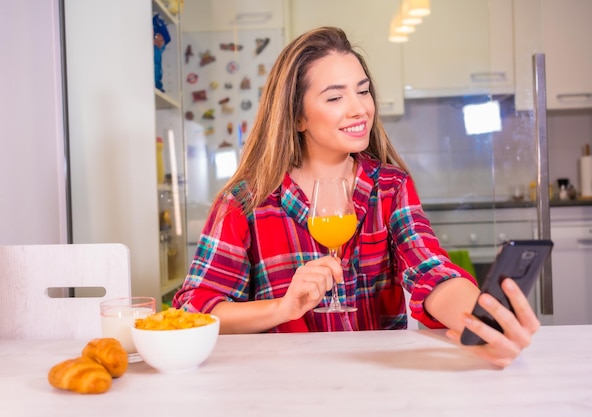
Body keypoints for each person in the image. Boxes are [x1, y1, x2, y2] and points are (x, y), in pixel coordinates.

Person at [173, 27, 539, 368]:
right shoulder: (246, 202)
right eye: (335, 96)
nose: (359, 108)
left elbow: (431, 272)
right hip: (281, 384)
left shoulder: (390, 188)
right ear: (298, 117)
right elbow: (195, 311)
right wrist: (282, 309)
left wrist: (481, 320)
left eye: (362, 91)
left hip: (377, 381)